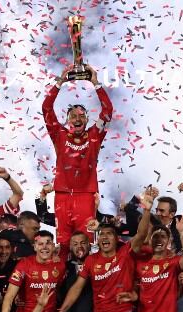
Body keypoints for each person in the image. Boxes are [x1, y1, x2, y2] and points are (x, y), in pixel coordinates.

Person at [42, 63, 113, 250]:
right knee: (64, 244)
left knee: (85, 243)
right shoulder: (59, 134)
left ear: (87, 119)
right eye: (73, 116)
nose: (78, 119)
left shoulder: (94, 135)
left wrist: (95, 83)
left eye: (82, 116)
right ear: (67, 120)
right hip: (62, 195)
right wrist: (60, 83)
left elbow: (107, 112)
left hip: (85, 196)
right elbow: (46, 109)